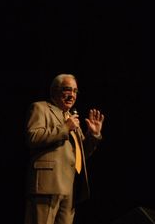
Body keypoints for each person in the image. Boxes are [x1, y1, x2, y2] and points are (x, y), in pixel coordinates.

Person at [24, 74, 104, 224]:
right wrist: (65, 128)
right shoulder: (40, 108)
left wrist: (93, 135)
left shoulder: (72, 118)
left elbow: (81, 154)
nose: (72, 95)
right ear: (54, 91)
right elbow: (33, 137)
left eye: (75, 91)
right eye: (67, 90)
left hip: (71, 188)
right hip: (47, 185)